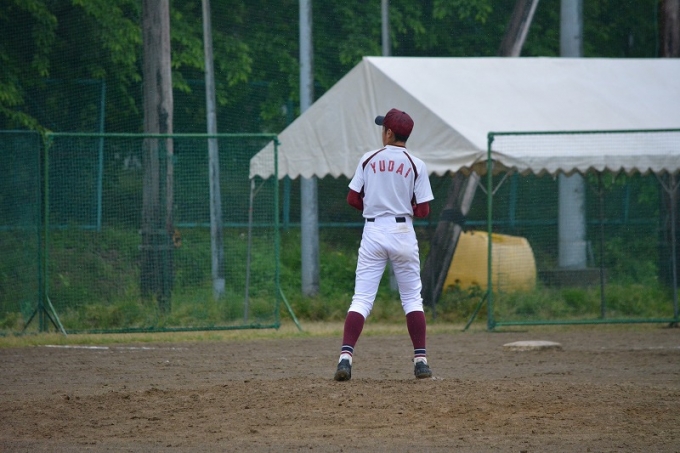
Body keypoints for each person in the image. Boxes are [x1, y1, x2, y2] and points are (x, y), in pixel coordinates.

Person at [334, 108, 434, 381]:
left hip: (374, 230)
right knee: (412, 299)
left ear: (389, 133)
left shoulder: (369, 159)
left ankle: (345, 358)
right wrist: (403, 205)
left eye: (383, 128)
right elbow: (423, 210)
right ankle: (421, 362)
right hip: (402, 231)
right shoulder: (416, 164)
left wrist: (374, 204)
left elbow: (352, 198)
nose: (382, 132)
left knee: (362, 299)